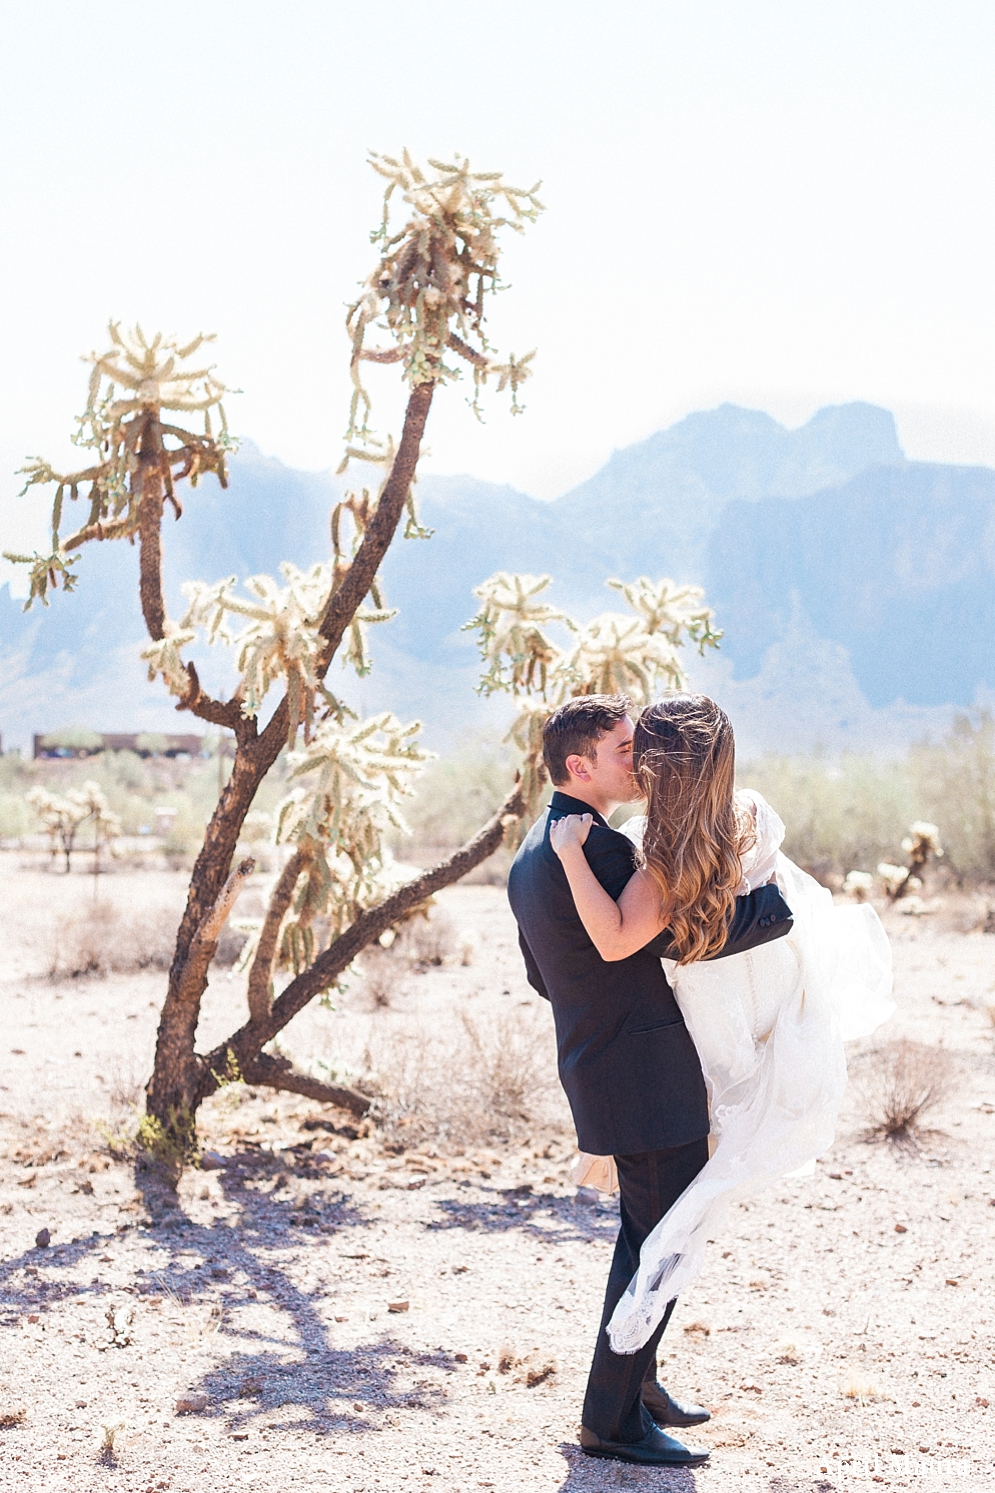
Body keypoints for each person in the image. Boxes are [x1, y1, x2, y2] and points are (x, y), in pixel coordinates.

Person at [549, 693, 893, 1360]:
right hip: (773, 988)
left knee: (687, 1153)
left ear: (655, 765)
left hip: (712, 999)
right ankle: (641, 1347)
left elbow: (618, 940)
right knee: (712, 1146)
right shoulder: (749, 814)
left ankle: (636, 1335)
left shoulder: (658, 847)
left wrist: (568, 855)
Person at [507, 694, 794, 1467]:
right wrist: (767, 914)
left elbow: (543, 974)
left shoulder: (533, 852)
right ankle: (611, 1420)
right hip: (642, 1072)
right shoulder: (598, 854)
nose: (639, 761)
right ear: (581, 766)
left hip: (598, 1062)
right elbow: (647, 942)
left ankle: (643, 1384)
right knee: (658, 1238)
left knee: (650, 1230)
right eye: (624, 749)